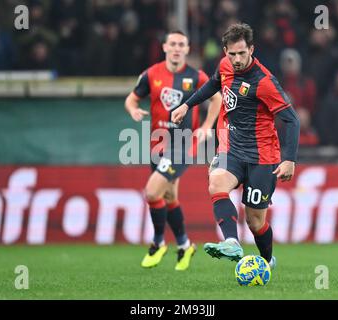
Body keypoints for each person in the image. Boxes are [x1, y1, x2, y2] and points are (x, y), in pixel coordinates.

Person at [172, 23, 300, 269]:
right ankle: (231, 242)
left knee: (255, 221)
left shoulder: (264, 82)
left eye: (242, 53)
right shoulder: (224, 66)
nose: (237, 59)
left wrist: (289, 159)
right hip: (231, 148)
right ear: (225, 51)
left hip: (262, 156)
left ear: (251, 49)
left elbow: (292, 119)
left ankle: (266, 261)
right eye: (232, 54)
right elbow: (213, 84)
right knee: (216, 183)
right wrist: (187, 105)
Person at [125, 30, 222, 271]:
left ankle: (158, 243)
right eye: (173, 44)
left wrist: (206, 127)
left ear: (188, 49)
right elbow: (131, 99)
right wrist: (133, 110)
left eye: (182, 44)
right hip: (157, 145)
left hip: (183, 144)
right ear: (165, 47)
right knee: (169, 197)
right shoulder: (151, 74)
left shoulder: (196, 76)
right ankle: (184, 245)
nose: (177, 48)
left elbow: (217, 99)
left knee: (151, 192)